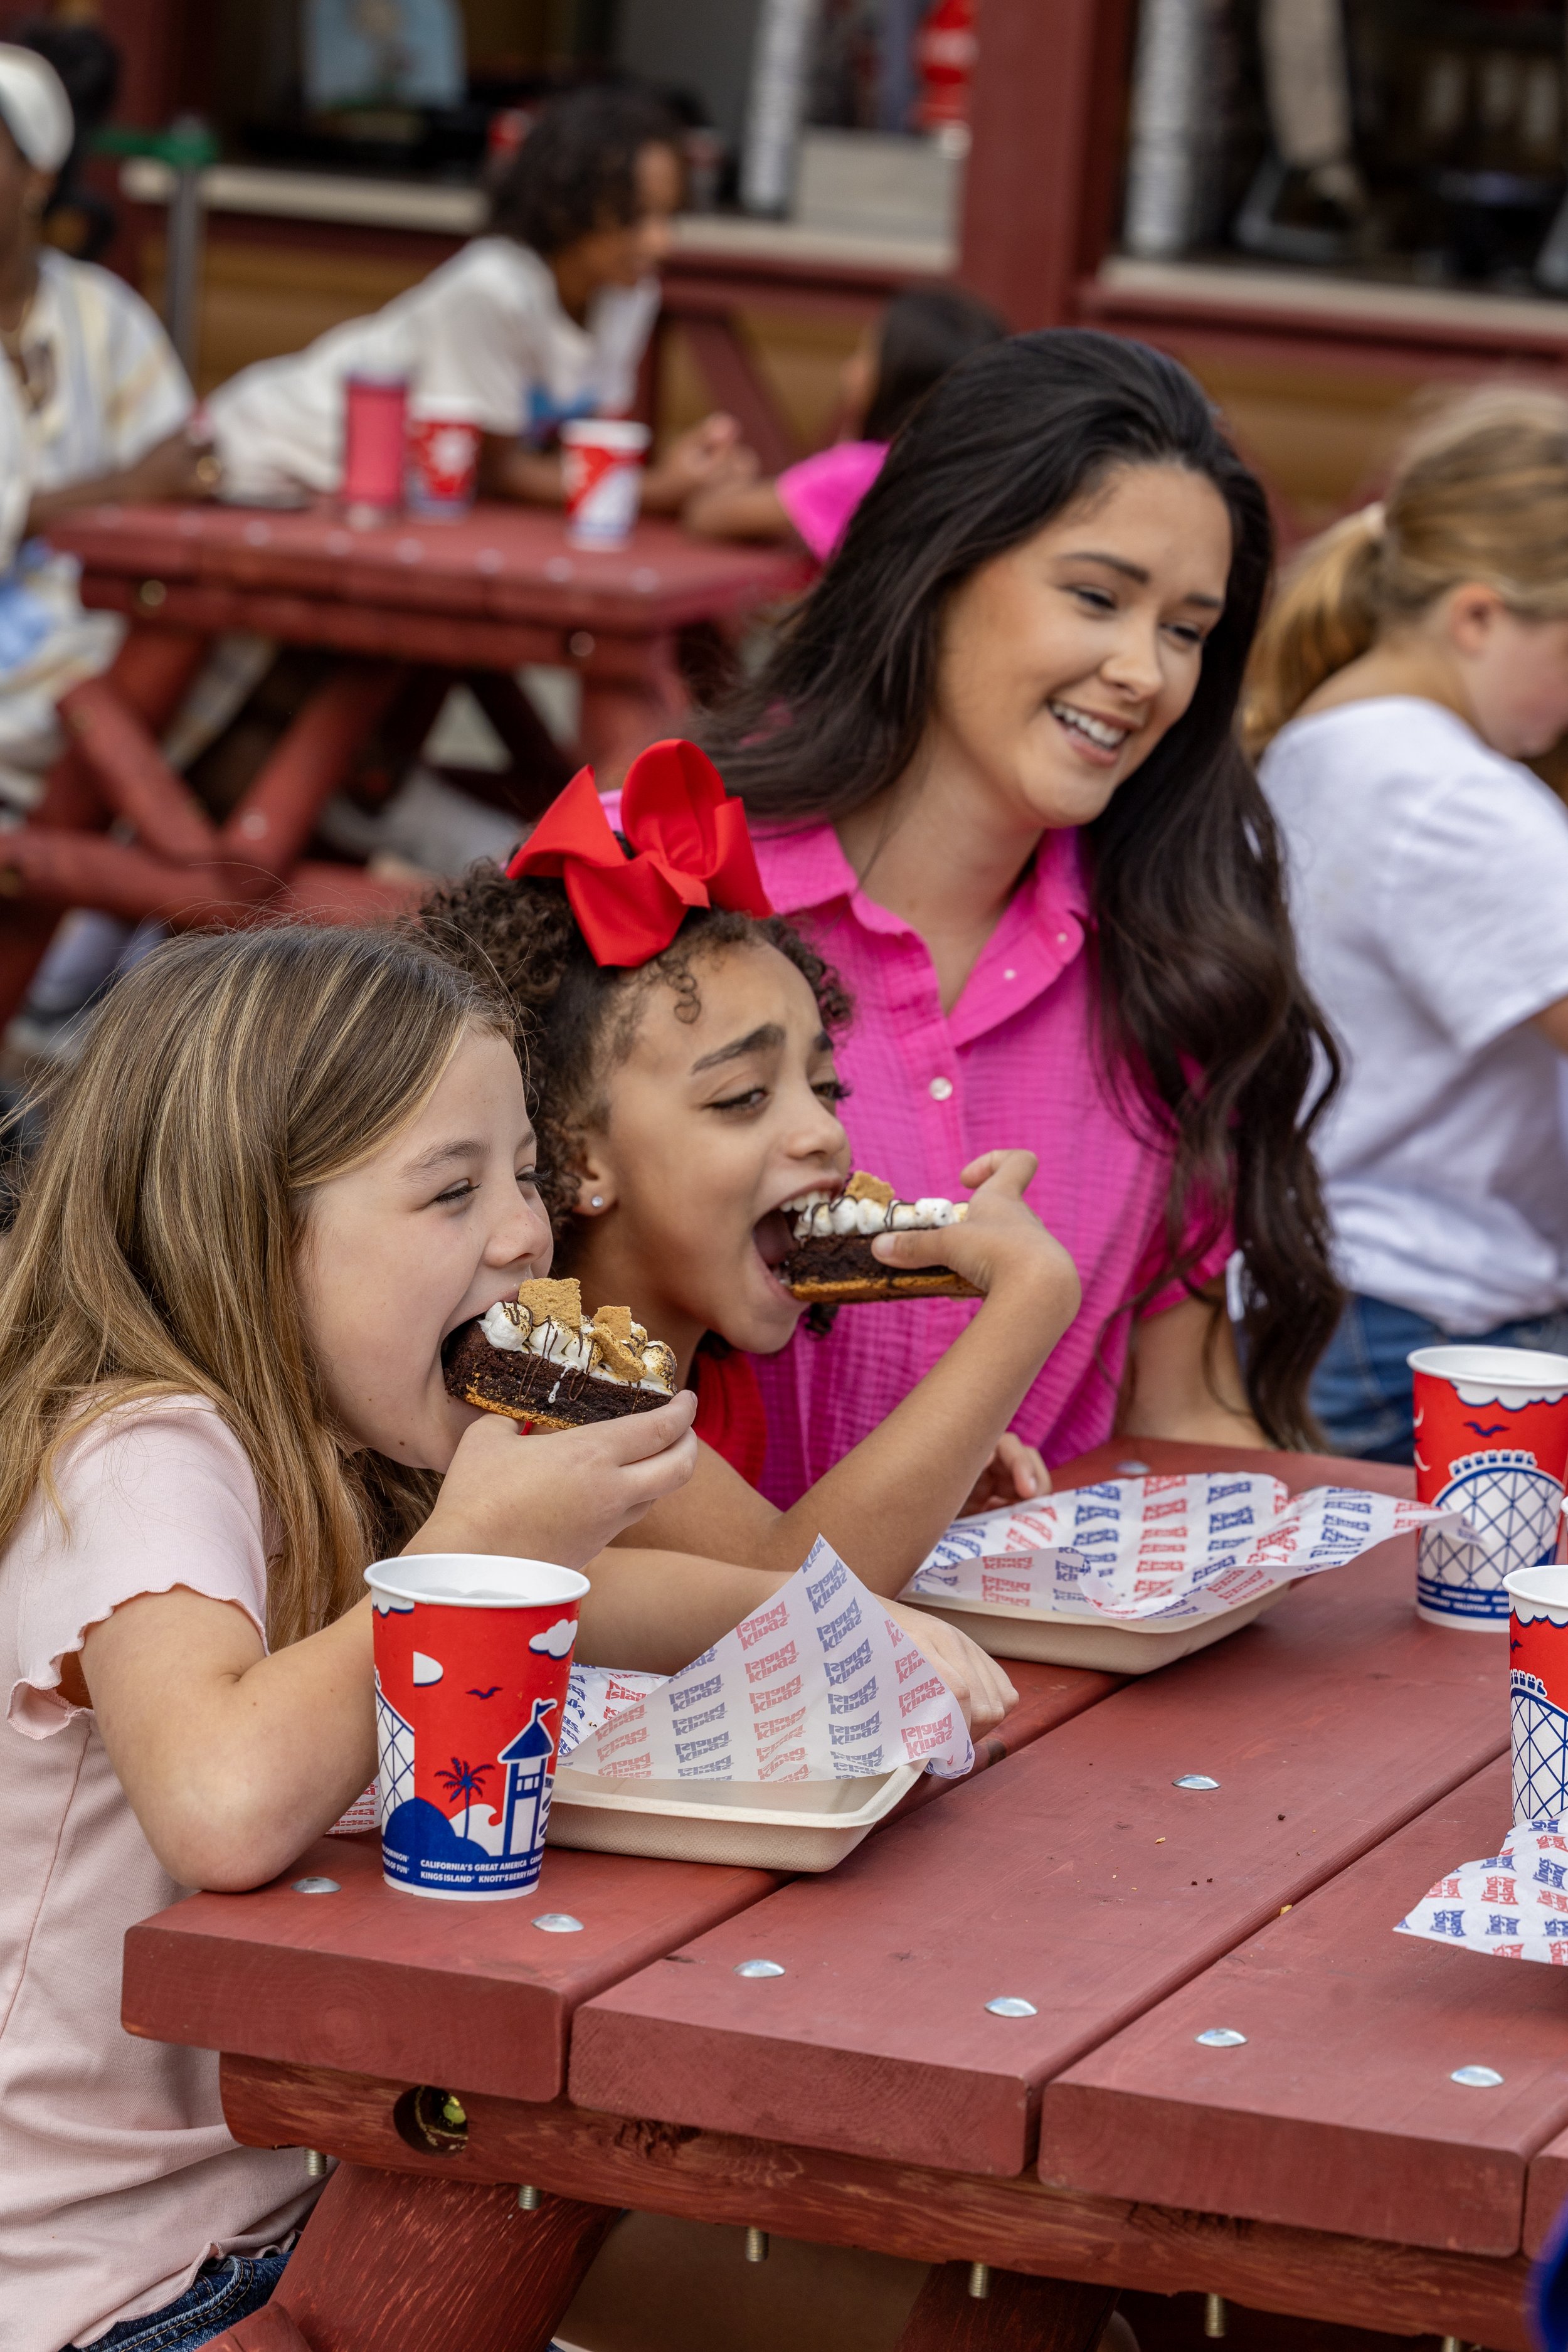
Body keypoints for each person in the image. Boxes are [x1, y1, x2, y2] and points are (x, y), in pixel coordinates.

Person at [0, 921, 999, 2352]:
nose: (529, 1235)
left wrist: (826, 1616)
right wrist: (472, 1544)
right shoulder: (143, 1448)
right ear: (250, 1226)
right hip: (123, 2292)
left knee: (912, 2291)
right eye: (452, 1188)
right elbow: (221, 1800)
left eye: (524, 1172)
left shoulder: (330, 1455)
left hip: (300, 2194)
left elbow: (580, 1601)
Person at [697, 329, 1342, 1503]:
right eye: (1097, 597)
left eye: (1187, 630)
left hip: (1048, 1621)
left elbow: (1183, 1413)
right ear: (937, 563)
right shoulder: (662, 880)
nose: (1145, 672)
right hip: (674, 1613)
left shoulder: (1180, 962)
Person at [420, 736, 1081, 1597]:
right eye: (743, 1097)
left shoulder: (713, 1379)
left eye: (825, 1087)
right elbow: (792, 1593)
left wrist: (934, 1492)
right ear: (574, 1154)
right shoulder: (541, 1393)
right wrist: (1029, 1302)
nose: (823, 1133)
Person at [1243, 386, 1568, 1461]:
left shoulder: (1320, 745)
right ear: (1479, 616)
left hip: (1325, 1297)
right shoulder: (1454, 798)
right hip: (1431, 1320)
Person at [206, 83, 748, 514]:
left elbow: (584, 450)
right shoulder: (494, 288)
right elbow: (498, 471)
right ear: (566, 204)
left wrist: (691, 472)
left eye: (669, 216)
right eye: (633, 217)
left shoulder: (629, 295)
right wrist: (658, 489)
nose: (660, 242)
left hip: (375, 504)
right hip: (273, 453)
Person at [0, 41, 208, 806]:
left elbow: (179, 466)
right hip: (45, 665)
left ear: (38, 178)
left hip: (98, 621)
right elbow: (149, 476)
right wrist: (126, 487)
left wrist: (159, 483)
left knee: (238, 657)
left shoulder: (99, 311)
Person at [682, 284, 1005, 559]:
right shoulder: (984, 476)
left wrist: (728, 480)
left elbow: (710, 516)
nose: (850, 370)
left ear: (897, 385)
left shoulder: (864, 473)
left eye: (865, 353)